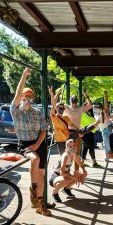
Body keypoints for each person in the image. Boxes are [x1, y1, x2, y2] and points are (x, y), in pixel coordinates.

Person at [10, 68, 51, 216]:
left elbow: (44, 130)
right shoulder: (15, 112)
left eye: (30, 96)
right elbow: (17, 92)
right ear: (21, 98)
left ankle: (40, 205)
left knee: (42, 174)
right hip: (25, 143)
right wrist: (24, 75)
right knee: (35, 158)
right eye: (25, 96)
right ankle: (33, 192)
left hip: (39, 143)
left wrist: (38, 144)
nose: (27, 98)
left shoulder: (38, 113)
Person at [49, 139, 87, 203]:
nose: (72, 148)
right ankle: (54, 193)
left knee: (79, 174)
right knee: (66, 180)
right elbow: (62, 173)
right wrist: (74, 177)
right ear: (66, 148)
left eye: (74, 146)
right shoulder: (65, 156)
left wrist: (83, 173)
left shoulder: (74, 155)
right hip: (55, 177)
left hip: (64, 175)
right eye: (70, 146)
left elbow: (81, 165)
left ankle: (66, 189)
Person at [64, 92, 92, 170]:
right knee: (69, 152)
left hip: (77, 133)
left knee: (77, 152)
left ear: (77, 101)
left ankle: (76, 171)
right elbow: (56, 105)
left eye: (75, 101)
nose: (74, 102)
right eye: (73, 101)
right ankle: (67, 170)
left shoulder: (80, 108)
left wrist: (87, 96)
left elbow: (90, 105)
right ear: (70, 101)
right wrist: (55, 95)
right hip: (69, 133)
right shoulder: (67, 108)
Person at [49, 87, 78, 155]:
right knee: (63, 156)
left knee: (69, 155)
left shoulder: (66, 118)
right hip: (60, 140)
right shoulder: (54, 117)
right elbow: (53, 105)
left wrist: (79, 131)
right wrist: (55, 95)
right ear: (56, 108)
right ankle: (61, 165)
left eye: (63, 108)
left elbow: (72, 125)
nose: (62, 109)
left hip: (68, 139)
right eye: (60, 108)